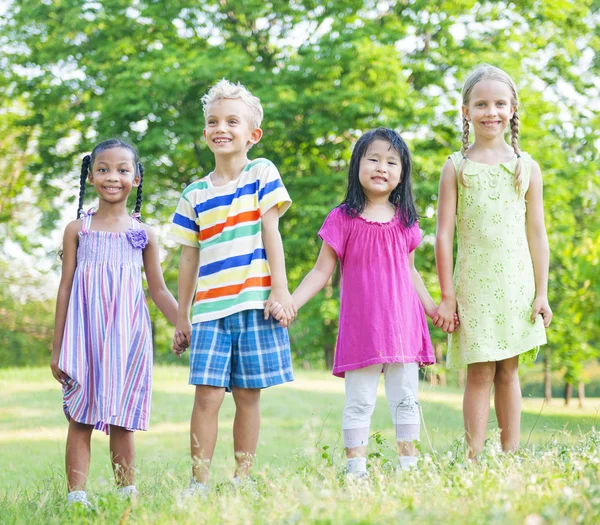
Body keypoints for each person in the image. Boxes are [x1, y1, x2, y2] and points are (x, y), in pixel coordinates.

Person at [271, 127, 446, 477]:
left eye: (391, 161)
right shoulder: (342, 219)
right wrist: (290, 301)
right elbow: (321, 272)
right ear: (357, 166)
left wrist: (432, 307)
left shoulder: (406, 222)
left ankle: (409, 467)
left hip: (403, 328)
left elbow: (411, 273)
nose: (382, 167)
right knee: (360, 401)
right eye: (374, 159)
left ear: (402, 173)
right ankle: (356, 470)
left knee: (406, 399)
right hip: (362, 328)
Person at [169, 79, 294, 495]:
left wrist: (281, 290)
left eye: (231, 121)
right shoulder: (194, 194)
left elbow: (270, 231)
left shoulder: (262, 173)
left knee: (247, 396)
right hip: (209, 312)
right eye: (212, 121)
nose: (220, 128)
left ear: (252, 134)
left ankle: (242, 479)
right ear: (205, 132)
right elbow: (188, 257)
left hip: (254, 304)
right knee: (206, 397)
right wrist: (182, 316)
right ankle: (198, 482)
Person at [50, 139, 186, 506]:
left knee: (123, 418)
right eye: (104, 169)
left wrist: (183, 324)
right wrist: (57, 347)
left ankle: (126, 493)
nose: (113, 177)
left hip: (128, 337)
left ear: (136, 179)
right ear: (91, 176)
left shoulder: (144, 234)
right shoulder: (78, 230)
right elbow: (65, 289)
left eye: (123, 170)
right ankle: (76, 497)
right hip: (84, 338)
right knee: (80, 416)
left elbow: (158, 290)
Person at [434, 64, 552, 458]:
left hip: (516, 288)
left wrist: (542, 293)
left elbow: (537, 233)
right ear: (466, 110)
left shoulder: (527, 167)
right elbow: (443, 236)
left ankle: (511, 454)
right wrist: (447, 297)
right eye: (481, 103)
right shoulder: (457, 167)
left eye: (500, 103)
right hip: (475, 286)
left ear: (513, 108)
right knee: (480, 371)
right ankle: (473, 457)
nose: (491, 111)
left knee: (509, 371)